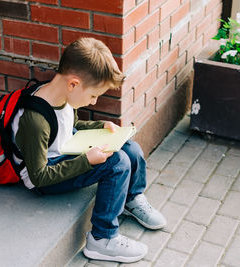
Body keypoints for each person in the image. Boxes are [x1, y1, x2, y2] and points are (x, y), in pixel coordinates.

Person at [12, 37, 166, 263]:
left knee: (130, 147)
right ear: (74, 84)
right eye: (93, 95)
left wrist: (101, 126)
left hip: (64, 151)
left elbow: (69, 128)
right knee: (117, 164)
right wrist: (86, 161)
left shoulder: (63, 97)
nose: (94, 102)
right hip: (45, 177)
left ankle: (131, 199)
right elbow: (39, 176)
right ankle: (102, 239)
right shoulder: (36, 121)